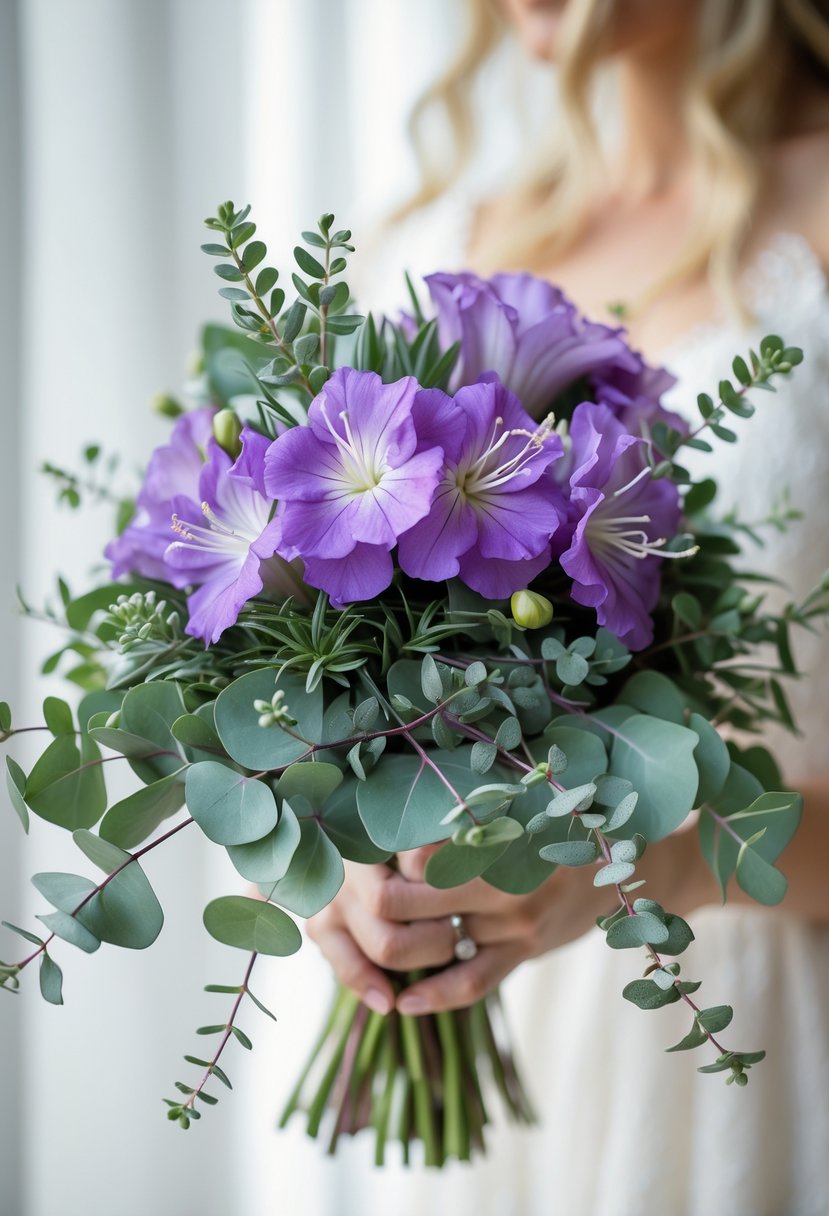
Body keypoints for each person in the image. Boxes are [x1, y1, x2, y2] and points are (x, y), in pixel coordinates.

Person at [305, 2, 829, 1212]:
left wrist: (655, 855)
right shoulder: (471, 231)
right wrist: (356, 862)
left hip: (768, 1020)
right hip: (516, 1023)